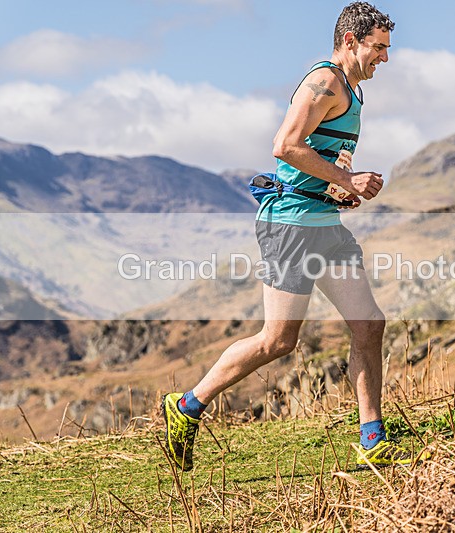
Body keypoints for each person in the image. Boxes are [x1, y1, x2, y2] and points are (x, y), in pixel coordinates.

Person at [162, 1, 426, 471]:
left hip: (324, 224)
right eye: (379, 47)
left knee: (369, 324)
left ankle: (372, 439)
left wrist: (335, 190)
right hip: (290, 226)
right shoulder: (324, 82)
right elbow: (284, 145)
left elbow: (309, 156)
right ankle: (186, 407)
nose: (386, 57)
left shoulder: (351, 89)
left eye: (387, 48)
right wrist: (347, 181)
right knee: (278, 341)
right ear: (351, 41)